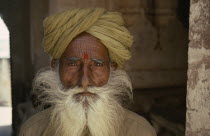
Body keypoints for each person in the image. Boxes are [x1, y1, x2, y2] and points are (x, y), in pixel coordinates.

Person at [19, 8, 156, 136]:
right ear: (55, 66)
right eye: (72, 64)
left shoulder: (140, 131)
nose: (84, 81)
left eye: (97, 64)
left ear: (112, 67)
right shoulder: (33, 130)